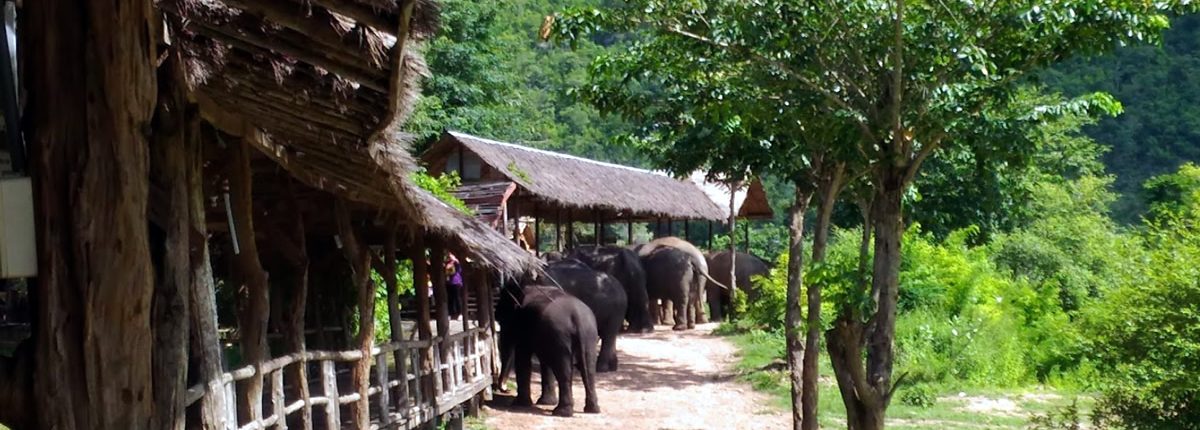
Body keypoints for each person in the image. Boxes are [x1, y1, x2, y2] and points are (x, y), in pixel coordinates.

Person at [445, 253, 464, 320]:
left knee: (457, 298)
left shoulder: (456, 262)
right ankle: (451, 313)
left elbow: (459, 269)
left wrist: (454, 259)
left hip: (456, 282)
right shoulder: (447, 263)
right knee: (450, 299)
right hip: (449, 282)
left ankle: (460, 313)